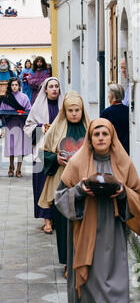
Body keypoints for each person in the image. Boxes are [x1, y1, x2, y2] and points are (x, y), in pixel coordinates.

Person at [55, 118, 140, 303]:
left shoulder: (124, 163)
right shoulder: (77, 163)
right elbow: (60, 197)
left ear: (112, 137)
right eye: (96, 134)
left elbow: (137, 194)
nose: (101, 137)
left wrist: (123, 193)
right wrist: (80, 190)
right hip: (85, 230)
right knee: (90, 274)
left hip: (113, 229)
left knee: (115, 277)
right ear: (90, 139)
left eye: (105, 134)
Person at [38, 91, 90, 277]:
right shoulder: (56, 128)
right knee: (65, 225)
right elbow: (41, 154)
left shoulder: (90, 128)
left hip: (86, 185)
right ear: (65, 112)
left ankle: (83, 261)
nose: (74, 113)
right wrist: (55, 158)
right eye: (70, 110)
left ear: (82, 111)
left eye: (77, 110)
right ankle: (68, 263)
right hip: (63, 184)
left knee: (85, 225)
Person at [24, 77, 63, 233]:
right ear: (45, 90)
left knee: (58, 185)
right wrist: (41, 128)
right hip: (42, 153)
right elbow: (28, 127)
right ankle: (47, 220)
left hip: (60, 152)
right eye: (51, 86)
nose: (54, 89)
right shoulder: (37, 107)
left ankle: (57, 218)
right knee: (42, 185)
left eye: (56, 86)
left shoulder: (64, 107)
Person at [0, 77, 32, 177]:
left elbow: (28, 110)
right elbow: (2, 111)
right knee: (11, 146)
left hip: (21, 124)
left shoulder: (24, 97)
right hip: (10, 124)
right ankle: (11, 167)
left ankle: (19, 169)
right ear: (10, 86)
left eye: (16, 85)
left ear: (19, 86)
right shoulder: (6, 98)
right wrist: (6, 117)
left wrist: (23, 116)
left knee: (20, 146)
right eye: (12, 85)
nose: (14, 87)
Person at [101, 83, 129, 154]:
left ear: (112, 96)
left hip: (112, 148)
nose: (108, 96)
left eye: (109, 94)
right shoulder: (128, 111)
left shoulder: (106, 112)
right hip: (126, 148)